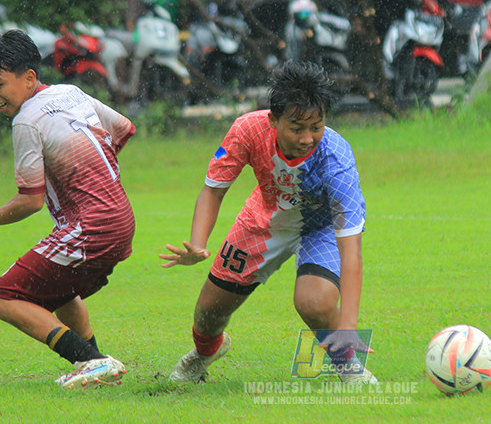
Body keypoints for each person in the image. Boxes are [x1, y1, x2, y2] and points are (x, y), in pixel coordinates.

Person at [160, 61, 376, 384]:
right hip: (263, 219)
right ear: (273, 119)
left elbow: (351, 251)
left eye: (316, 126)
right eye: (297, 127)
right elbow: (213, 190)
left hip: (319, 229)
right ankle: (206, 353)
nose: (307, 138)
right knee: (209, 312)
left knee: (314, 301)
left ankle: (349, 365)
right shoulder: (247, 130)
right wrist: (198, 244)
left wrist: (348, 323)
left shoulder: (336, 159)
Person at [0, 29, 136, 389]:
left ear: (29, 78)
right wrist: (95, 173)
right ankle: (98, 368)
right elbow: (124, 128)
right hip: (121, 219)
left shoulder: (26, 120)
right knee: (59, 290)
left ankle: (91, 361)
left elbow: (30, 200)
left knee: (2, 296)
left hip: (90, 226)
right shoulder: (68, 92)